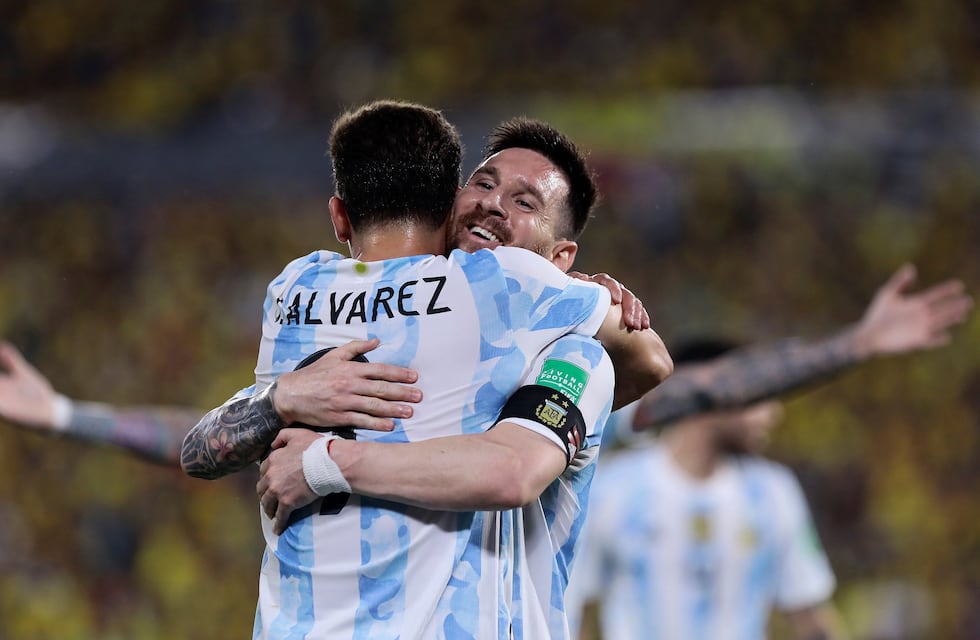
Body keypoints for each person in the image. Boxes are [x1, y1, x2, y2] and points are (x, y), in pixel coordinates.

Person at [178, 100, 669, 639]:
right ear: (446, 203)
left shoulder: (298, 289)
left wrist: (319, 455)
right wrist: (281, 401)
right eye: (482, 185)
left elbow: (513, 469)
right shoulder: (499, 289)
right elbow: (651, 360)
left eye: (523, 201)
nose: (492, 206)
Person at [2, 264, 970, 465]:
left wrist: (851, 344)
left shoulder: (548, 395)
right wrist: (63, 414)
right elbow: (214, 431)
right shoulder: (376, 385)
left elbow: (701, 390)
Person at [568, 337, 851, 640]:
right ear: (708, 391)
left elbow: (810, 616)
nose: (772, 413)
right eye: (759, 394)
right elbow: (574, 612)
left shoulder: (773, 492)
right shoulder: (614, 489)